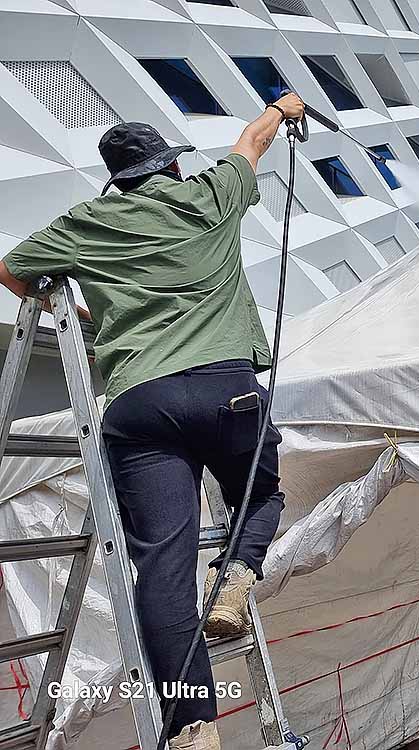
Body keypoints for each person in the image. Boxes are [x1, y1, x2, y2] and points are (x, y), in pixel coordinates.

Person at [0, 92, 305, 750]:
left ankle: (193, 725)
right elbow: (252, 139)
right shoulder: (209, 195)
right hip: (227, 392)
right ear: (168, 168)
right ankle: (239, 572)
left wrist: (87, 319)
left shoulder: (87, 222)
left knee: (161, 570)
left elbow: (12, 268)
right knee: (263, 492)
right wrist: (284, 108)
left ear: (120, 180)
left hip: (140, 405)